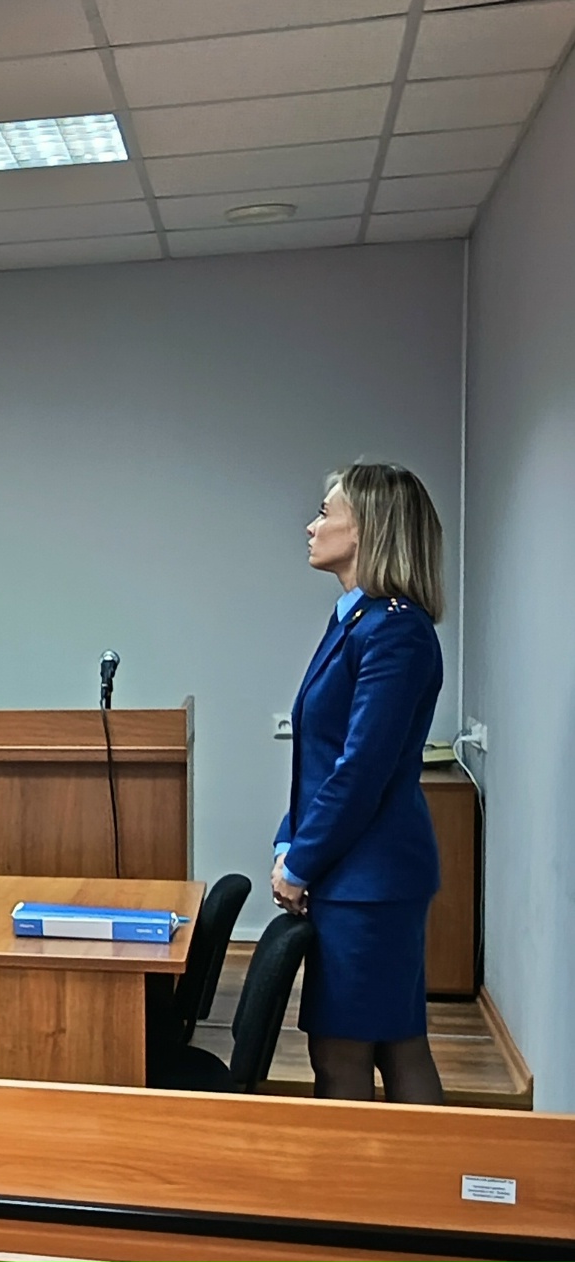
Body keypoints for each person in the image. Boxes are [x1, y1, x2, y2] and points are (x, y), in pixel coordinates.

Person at [274, 462, 448, 1103]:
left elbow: (361, 770)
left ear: (367, 529)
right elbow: (318, 757)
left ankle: (378, 1173)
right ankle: (412, 1170)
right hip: (351, 873)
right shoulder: (356, 619)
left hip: (370, 882)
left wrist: (301, 862)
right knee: (387, 1044)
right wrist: (288, 842)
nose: (311, 526)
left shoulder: (395, 630)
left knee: (348, 1052)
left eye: (326, 513)